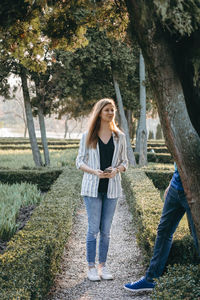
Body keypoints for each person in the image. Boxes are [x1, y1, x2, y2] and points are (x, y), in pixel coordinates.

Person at [124, 162, 200, 292]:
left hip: (195, 192)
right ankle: (151, 279)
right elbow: (179, 160)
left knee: (197, 236)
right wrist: (171, 184)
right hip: (175, 189)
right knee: (163, 232)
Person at [76, 98, 128, 281]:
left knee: (106, 231)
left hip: (112, 188)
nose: (110, 113)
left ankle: (103, 267)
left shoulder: (119, 137)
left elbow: (125, 162)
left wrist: (116, 170)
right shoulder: (87, 136)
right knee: (93, 230)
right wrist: (94, 172)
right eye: (107, 110)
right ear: (99, 112)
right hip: (92, 188)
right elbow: (79, 162)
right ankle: (91, 267)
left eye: (112, 110)